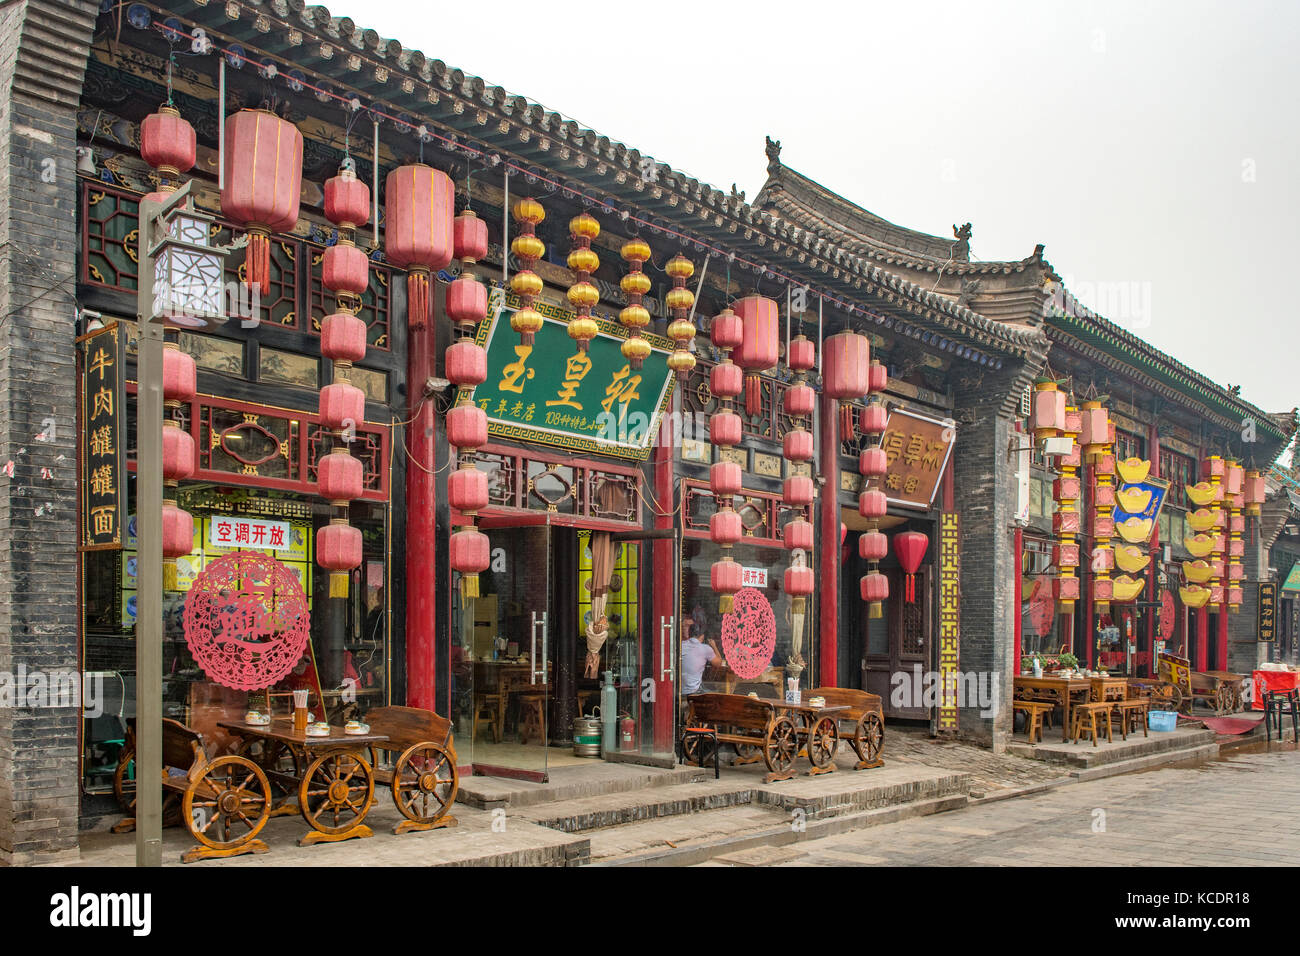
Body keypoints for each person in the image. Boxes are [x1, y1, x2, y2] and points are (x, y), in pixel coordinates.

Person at [680, 616, 721, 697]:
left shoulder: (680, 645)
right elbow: (718, 663)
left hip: (680, 690)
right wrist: (714, 646)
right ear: (702, 636)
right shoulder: (705, 648)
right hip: (694, 691)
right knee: (717, 693)